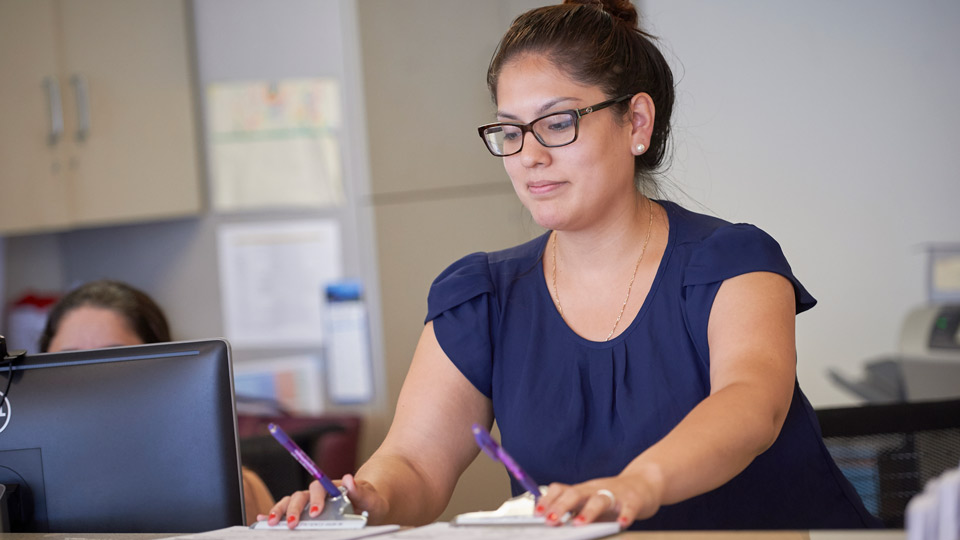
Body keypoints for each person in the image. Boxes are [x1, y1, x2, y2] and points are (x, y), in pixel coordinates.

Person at [266, 0, 880, 530]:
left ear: (636, 122)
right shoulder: (481, 297)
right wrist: (361, 499)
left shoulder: (732, 262)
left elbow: (752, 405)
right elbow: (416, 463)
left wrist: (635, 486)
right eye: (510, 132)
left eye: (557, 123)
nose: (529, 155)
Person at [39, 279, 276, 526]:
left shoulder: (230, 488)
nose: (89, 381)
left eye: (113, 360)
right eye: (69, 360)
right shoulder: (20, 489)